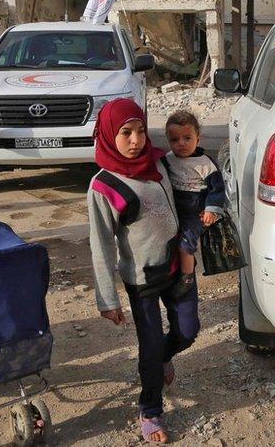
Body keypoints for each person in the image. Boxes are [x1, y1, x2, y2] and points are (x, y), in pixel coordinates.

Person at [88, 99, 199, 444]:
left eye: (139, 131)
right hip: (142, 281)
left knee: (189, 330)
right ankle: (150, 411)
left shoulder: (160, 161)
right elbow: (102, 245)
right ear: (109, 135)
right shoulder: (103, 187)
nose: (135, 140)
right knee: (149, 348)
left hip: (177, 267)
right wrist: (107, 299)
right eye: (125, 133)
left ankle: (166, 357)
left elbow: (197, 177)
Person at [163, 111, 225, 298]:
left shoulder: (205, 164)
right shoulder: (168, 159)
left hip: (195, 212)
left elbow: (217, 189)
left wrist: (211, 210)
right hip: (174, 210)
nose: (181, 143)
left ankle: (187, 277)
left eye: (187, 138)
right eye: (175, 140)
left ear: (198, 139)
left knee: (184, 245)